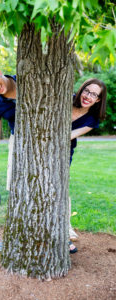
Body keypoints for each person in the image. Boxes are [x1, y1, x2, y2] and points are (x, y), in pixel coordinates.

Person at [69, 78, 107, 251]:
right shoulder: (65, 99)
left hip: (63, 152)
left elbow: (66, 136)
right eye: (87, 90)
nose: (88, 96)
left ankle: (65, 227)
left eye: (94, 94)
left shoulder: (91, 120)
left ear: (98, 100)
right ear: (81, 89)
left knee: (60, 189)